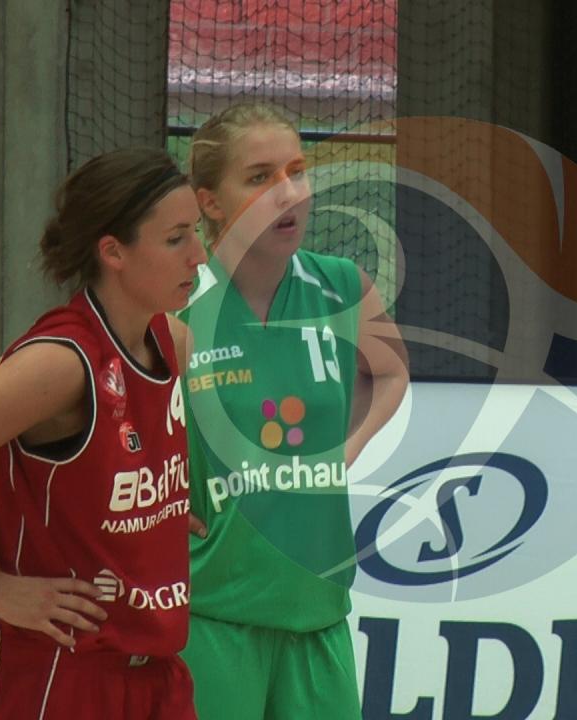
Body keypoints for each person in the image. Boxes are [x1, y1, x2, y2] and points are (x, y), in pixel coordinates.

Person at [0, 148, 207, 719]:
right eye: (177, 239)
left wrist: (156, 508)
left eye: (196, 232)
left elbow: (99, 473)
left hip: (158, 673)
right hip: (59, 675)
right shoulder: (57, 364)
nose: (199, 254)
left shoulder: (174, 340)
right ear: (113, 251)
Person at [179, 102, 409, 719]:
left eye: (297, 172)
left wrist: (348, 447)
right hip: (209, 618)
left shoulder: (342, 285)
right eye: (260, 177)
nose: (289, 193)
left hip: (319, 614)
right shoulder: (174, 303)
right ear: (209, 202)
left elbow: (390, 373)